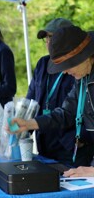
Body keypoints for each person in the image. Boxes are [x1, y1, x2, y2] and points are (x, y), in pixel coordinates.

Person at [10, 25, 94, 177]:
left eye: (67, 65)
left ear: (85, 55)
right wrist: (30, 124)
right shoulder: (83, 77)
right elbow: (67, 112)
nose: (64, 71)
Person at [26, 18, 86, 167]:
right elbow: (30, 99)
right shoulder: (42, 64)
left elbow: (71, 112)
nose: (48, 42)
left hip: (69, 146)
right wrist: (25, 125)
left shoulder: (80, 71)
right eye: (46, 38)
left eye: (52, 37)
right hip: (44, 140)